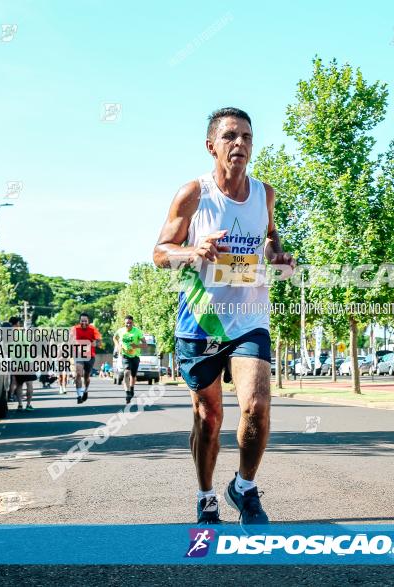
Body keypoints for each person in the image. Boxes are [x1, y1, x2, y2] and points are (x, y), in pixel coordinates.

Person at [153, 107, 294, 526]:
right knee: (208, 418)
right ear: (211, 145)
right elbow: (160, 252)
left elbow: (269, 237)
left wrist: (277, 255)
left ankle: (245, 488)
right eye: (231, 136)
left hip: (249, 316)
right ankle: (206, 494)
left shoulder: (264, 193)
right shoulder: (193, 194)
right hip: (201, 320)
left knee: (256, 404)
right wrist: (191, 252)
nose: (240, 144)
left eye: (247, 137)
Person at [113, 315, 147, 404]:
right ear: (124, 323)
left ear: (133, 323)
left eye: (130, 323)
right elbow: (114, 338)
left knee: (133, 375)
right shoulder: (120, 331)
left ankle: (131, 388)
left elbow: (145, 344)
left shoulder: (137, 332)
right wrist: (118, 346)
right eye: (127, 323)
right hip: (125, 355)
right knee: (126, 372)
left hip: (135, 356)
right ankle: (127, 392)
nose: (128, 325)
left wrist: (136, 346)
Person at [72, 312, 101, 404]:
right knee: (78, 374)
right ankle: (79, 396)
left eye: (85, 321)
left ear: (88, 321)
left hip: (90, 356)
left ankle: (86, 390)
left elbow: (99, 343)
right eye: (82, 321)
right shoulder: (74, 329)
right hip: (78, 354)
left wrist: (95, 343)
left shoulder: (93, 329)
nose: (83, 323)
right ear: (79, 321)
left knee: (86, 376)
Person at [9, 317, 37, 411]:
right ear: (16, 324)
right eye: (19, 323)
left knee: (19, 384)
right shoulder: (20, 334)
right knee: (29, 384)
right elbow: (28, 347)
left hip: (15, 363)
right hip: (27, 362)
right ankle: (28, 404)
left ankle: (20, 404)